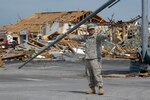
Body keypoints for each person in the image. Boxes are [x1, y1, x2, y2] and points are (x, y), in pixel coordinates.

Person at [69, 24, 108, 95]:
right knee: (89, 74)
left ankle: (100, 87)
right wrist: (70, 37)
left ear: (94, 29)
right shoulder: (86, 37)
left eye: (93, 29)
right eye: (90, 29)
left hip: (95, 58)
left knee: (97, 74)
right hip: (88, 58)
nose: (92, 30)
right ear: (88, 30)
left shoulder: (97, 37)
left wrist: (107, 35)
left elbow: (104, 36)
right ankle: (92, 88)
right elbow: (78, 37)